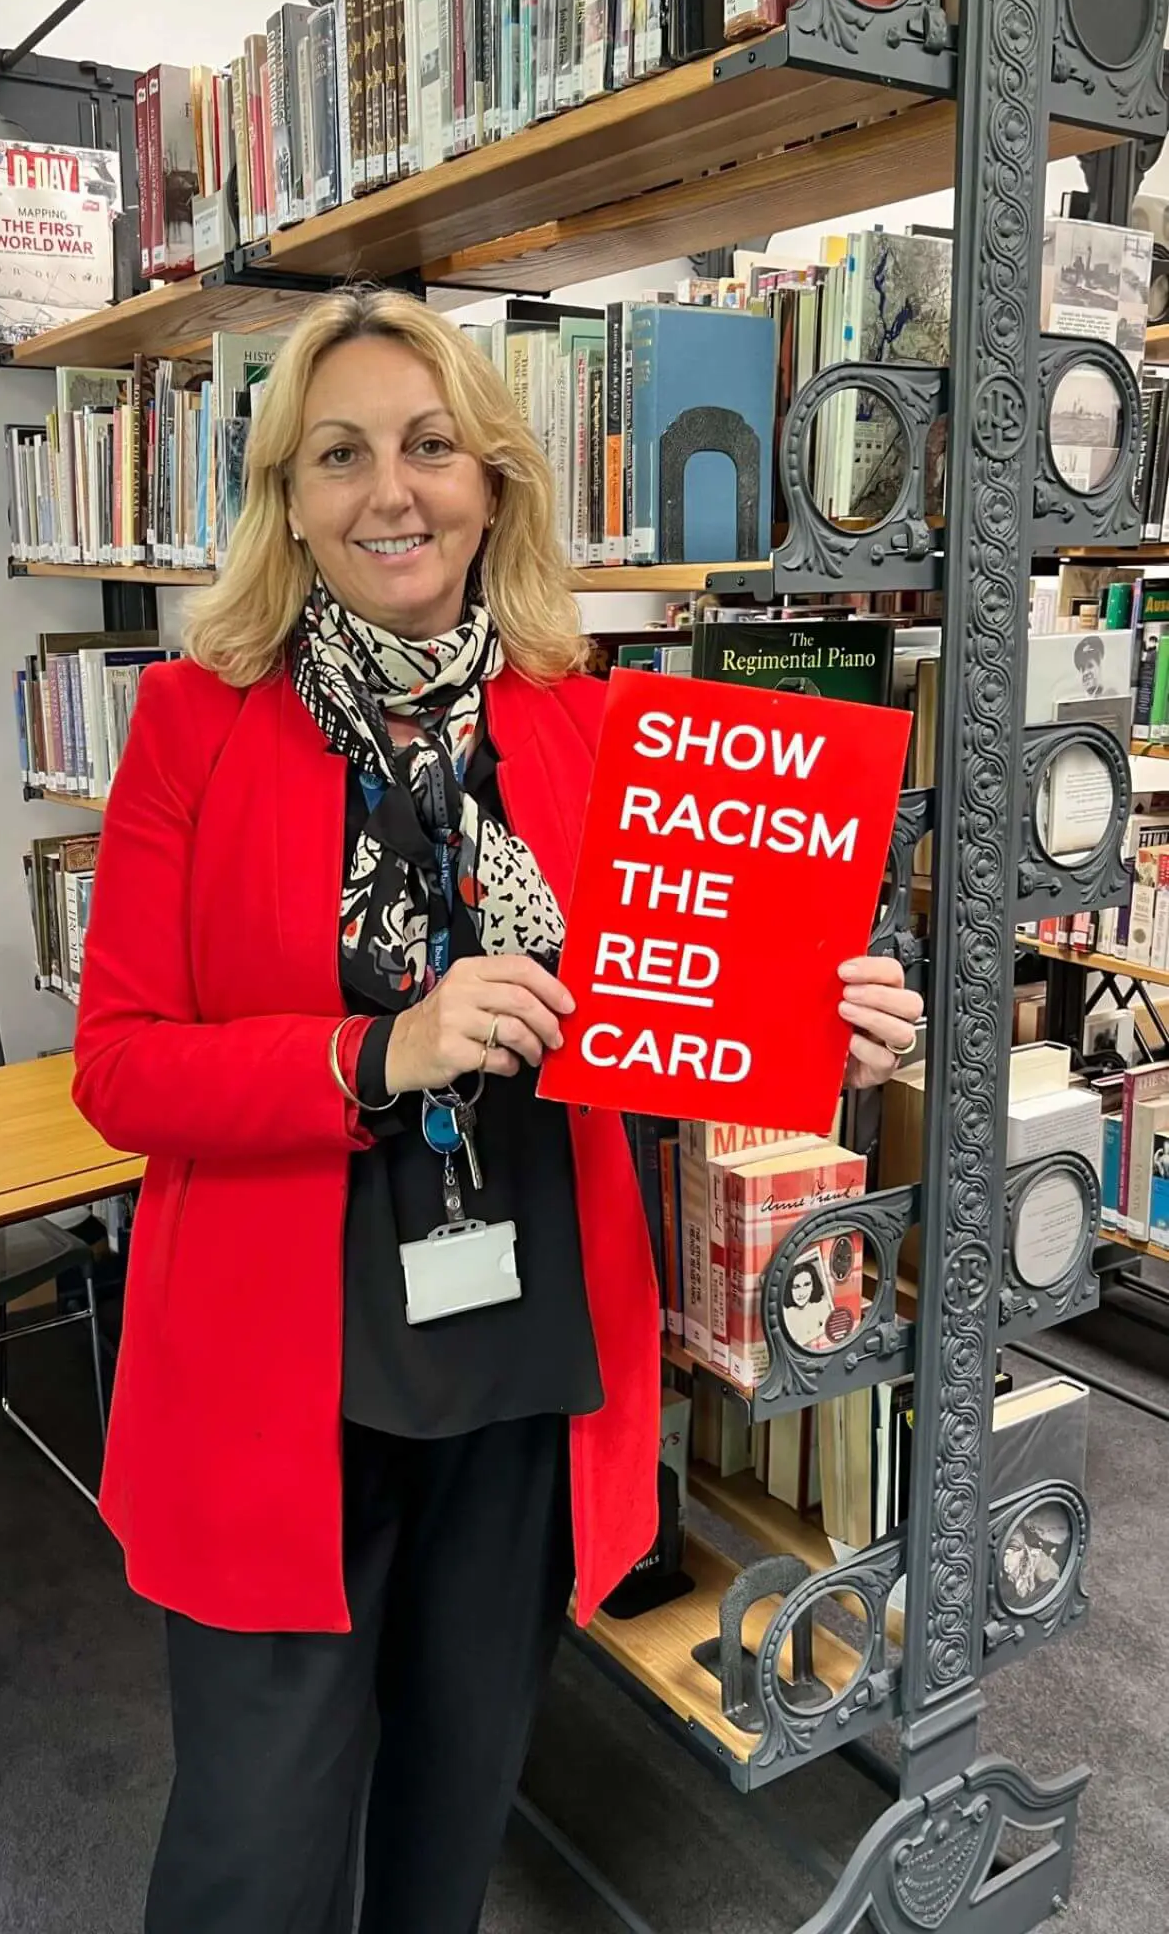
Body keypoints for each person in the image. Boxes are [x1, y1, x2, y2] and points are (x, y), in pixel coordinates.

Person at [71, 287, 923, 1934]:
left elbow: (685, 1012)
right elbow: (117, 1068)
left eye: (428, 446)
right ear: (286, 501)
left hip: (523, 1348)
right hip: (283, 1361)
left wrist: (824, 1033)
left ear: (492, 482)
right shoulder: (194, 721)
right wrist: (370, 1054)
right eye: (340, 456)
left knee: (452, 1816)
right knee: (255, 1846)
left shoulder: (586, 718)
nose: (390, 491)